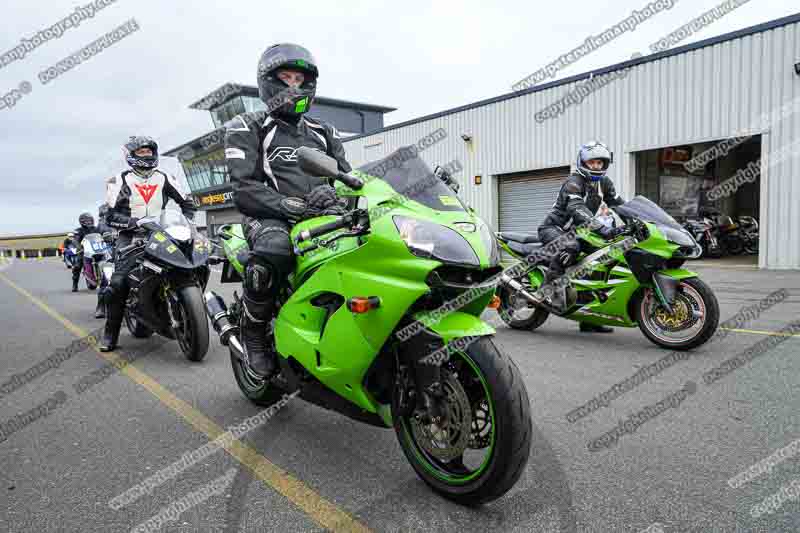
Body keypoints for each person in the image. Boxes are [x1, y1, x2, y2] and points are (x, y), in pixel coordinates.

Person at [224, 43, 351, 377]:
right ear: (268, 81)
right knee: (275, 248)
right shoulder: (247, 125)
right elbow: (242, 188)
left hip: (323, 218)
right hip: (268, 218)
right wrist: (286, 205)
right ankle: (253, 332)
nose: (294, 85)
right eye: (286, 77)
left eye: (301, 79)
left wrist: (333, 194)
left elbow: (348, 177)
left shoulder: (325, 131)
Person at [99, 136, 197, 351]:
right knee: (118, 284)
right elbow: (110, 216)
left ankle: (184, 307)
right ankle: (110, 334)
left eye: (149, 151)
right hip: (131, 236)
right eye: (141, 152)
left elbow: (187, 204)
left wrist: (187, 221)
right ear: (130, 156)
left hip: (163, 232)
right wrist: (132, 223)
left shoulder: (166, 178)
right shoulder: (118, 180)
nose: (146, 155)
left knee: (191, 262)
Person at [538, 141, 626, 332]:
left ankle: (589, 318)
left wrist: (639, 219)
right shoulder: (574, 182)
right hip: (553, 228)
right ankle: (547, 291)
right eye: (592, 162)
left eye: (600, 163)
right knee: (570, 247)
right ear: (583, 162)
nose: (596, 166)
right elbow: (577, 209)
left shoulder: (604, 183)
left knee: (604, 257)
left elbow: (620, 205)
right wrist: (602, 229)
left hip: (580, 232)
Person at [67, 213, 101, 292]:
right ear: (82, 222)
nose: (89, 222)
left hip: (97, 249)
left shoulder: (96, 229)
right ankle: (75, 284)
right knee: (77, 266)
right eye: (87, 221)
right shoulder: (79, 230)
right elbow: (75, 240)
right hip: (84, 251)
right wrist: (79, 246)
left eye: (90, 220)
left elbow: (102, 236)